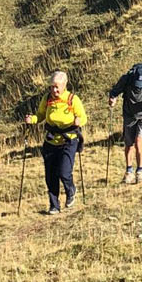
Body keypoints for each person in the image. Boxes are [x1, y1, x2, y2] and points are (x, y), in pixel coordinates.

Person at [26, 70, 87, 214]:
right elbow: (40, 116)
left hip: (69, 140)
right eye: (52, 87)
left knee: (64, 172)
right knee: (50, 175)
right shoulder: (47, 99)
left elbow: (83, 117)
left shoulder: (72, 99)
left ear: (64, 85)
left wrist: (78, 121)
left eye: (57, 86)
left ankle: (70, 189)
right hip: (51, 141)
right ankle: (54, 205)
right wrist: (32, 120)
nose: (54, 90)